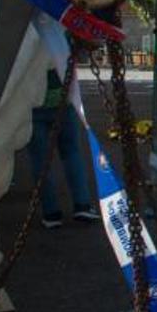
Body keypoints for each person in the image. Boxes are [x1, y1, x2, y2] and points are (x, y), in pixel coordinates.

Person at [28, 68, 98, 229]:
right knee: (71, 152)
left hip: (33, 104)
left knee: (40, 160)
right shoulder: (61, 42)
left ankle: (51, 213)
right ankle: (82, 204)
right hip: (63, 99)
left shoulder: (25, 43)